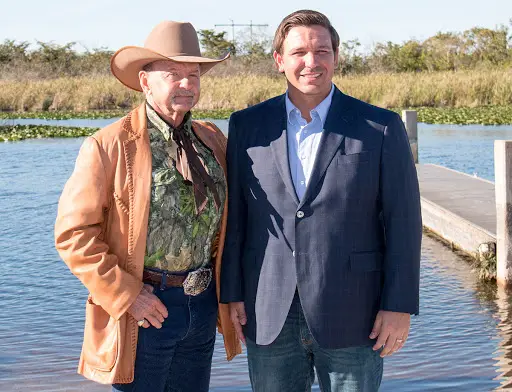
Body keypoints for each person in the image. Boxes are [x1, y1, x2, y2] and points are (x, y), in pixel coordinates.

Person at [220, 9, 422, 392]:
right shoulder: (247, 125)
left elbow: (404, 224)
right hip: (267, 309)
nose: (311, 62)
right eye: (299, 53)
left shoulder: (379, 127)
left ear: (336, 56)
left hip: (354, 311)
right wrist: (231, 294)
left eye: (322, 51)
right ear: (279, 61)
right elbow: (238, 220)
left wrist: (398, 305)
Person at [55, 20, 241, 392]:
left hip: (203, 306)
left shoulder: (212, 139)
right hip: (146, 311)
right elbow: (73, 235)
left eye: (194, 74)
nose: (187, 84)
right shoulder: (108, 145)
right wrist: (128, 295)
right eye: (173, 74)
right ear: (145, 81)